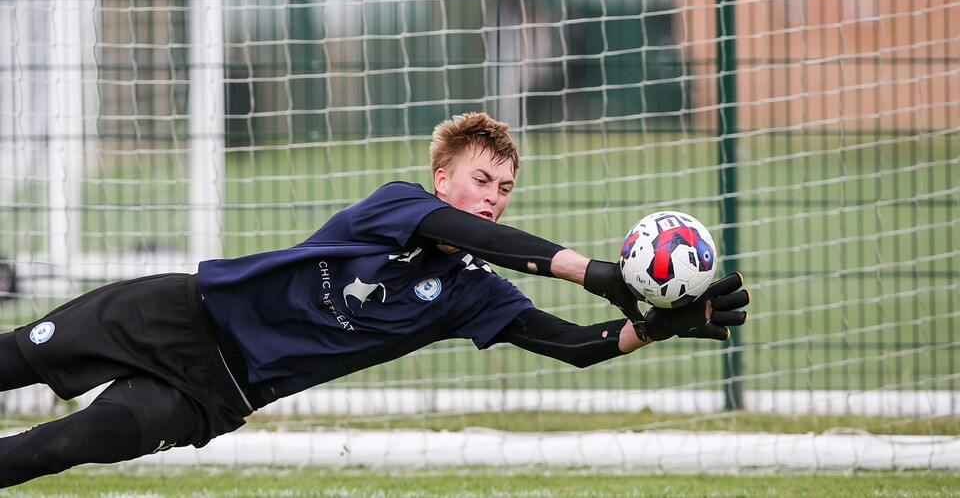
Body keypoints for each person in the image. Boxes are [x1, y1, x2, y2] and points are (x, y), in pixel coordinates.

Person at [0, 112, 749, 486]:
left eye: (505, 189)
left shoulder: (467, 296)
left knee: (54, 448)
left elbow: (573, 346)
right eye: (482, 182)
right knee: (11, 358)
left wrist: (657, 327)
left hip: (212, 394)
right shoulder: (397, 207)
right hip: (172, 310)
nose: (491, 199)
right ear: (444, 178)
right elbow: (473, 236)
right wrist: (597, 272)